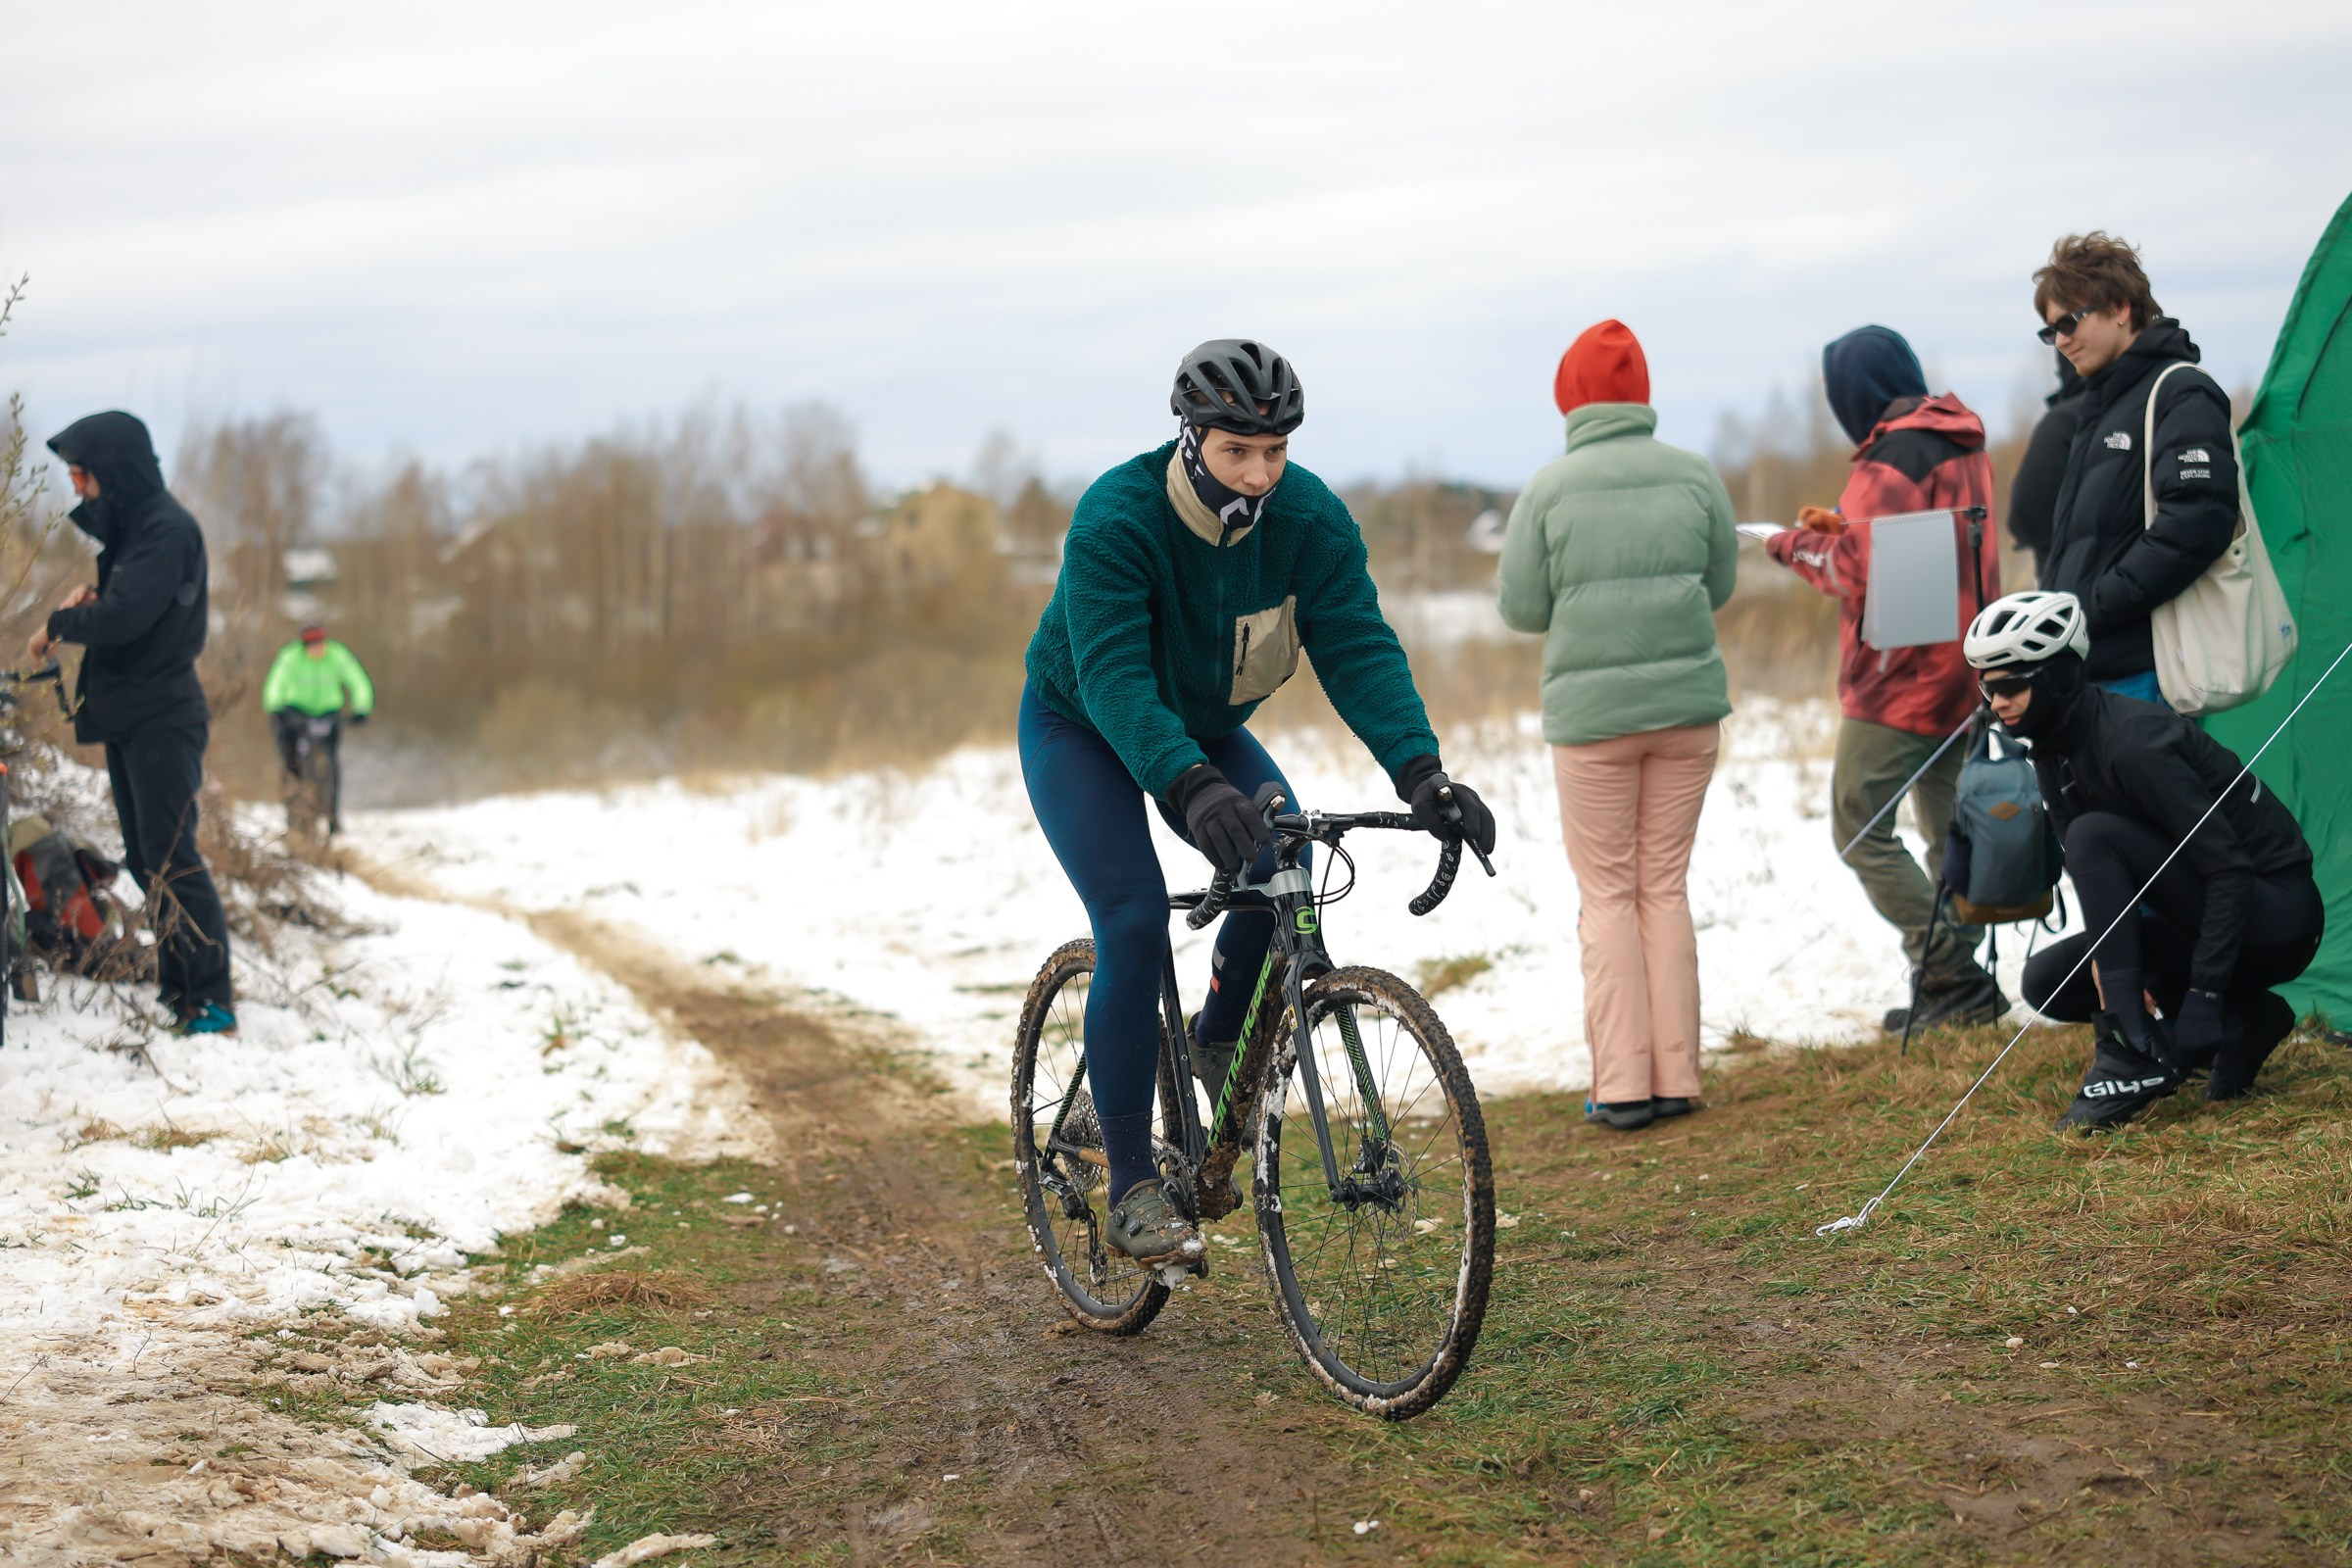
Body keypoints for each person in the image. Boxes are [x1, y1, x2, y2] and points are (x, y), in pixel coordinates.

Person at [1020, 338, 1497, 1264]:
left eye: (1275, 451)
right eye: (1238, 450)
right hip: (1081, 723)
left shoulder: (1308, 519)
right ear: (1191, 438)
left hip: (1199, 725)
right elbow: (1116, 677)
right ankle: (1129, 1185)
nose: (1260, 472)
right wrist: (1190, 784)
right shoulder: (1117, 518)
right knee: (1129, 919)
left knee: (1286, 854)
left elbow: (1357, 644)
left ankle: (1216, 1039)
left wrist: (1421, 771)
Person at [1497, 319, 1737, 1132]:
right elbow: (1722, 583)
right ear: (1641, 395)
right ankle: (1678, 1078)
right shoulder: (1696, 475)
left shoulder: (1549, 489)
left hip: (1592, 723)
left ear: (1570, 398)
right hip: (1689, 713)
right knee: (1662, 886)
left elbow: (1522, 608)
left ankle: (1624, 1087)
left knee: (1607, 894)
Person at [1962, 591, 2322, 1130]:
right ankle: (2248, 1018)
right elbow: (2104, 886)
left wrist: (2201, 995)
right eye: (1986, 687)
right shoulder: (2051, 747)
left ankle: (2129, 1054)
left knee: (2091, 835)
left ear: (2057, 676)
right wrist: (2120, 982)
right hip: (2200, 915)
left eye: (2010, 684)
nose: (1996, 701)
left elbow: (2227, 869)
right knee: (2047, 981)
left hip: (2277, 919)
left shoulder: (2134, 744)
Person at [1762, 326, 2005, 1032]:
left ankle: (1952, 975)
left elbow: (1856, 572)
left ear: (1854, 392)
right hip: (1962, 664)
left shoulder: (1886, 460)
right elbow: (1920, 541)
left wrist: (1790, 545)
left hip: (1898, 675)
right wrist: (1845, 525)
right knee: (1943, 831)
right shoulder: (1963, 442)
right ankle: (1961, 990)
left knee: (1858, 823)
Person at [32, 412, 236, 1035]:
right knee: (149, 860)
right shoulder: (136, 532)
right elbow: (127, 611)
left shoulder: (164, 530)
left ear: (111, 472)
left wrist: (61, 625)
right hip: (136, 718)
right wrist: (90, 605)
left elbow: (127, 618)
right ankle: (181, 989)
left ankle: (211, 1000)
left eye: (80, 474)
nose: (75, 488)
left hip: (162, 719)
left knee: (173, 859)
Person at [2033, 232, 2238, 704]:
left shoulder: (2179, 392)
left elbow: (2198, 521)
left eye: (2069, 322)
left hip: (2144, 671)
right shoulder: (2101, 403)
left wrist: (2095, 606)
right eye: (2050, 331)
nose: (2061, 341)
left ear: (2121, 308)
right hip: (2089, 667)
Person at [263, 623, 374, 834]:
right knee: (290, 758)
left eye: (320, 643)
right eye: (311, 645)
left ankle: (333, 815)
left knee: (331, 759)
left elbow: (358, 681)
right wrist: (275, 707)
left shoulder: (338, 655)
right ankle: (293, 807)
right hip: (296, 711)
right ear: (303, 645)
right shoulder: (290, 657)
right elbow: (275, 684)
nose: (316, 648)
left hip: (328, 712)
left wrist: (362, 708)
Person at [2005, 352, 2084, 577]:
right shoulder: (2149, 401)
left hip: (2069, 579)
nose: (2060, 339)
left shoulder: (2064, 420)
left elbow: (2026, 514)